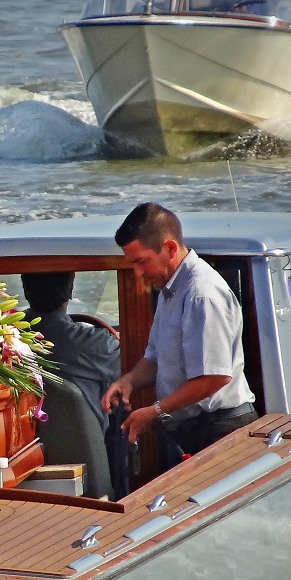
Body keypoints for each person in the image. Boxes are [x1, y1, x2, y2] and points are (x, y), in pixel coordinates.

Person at [99, 202, 257, 471]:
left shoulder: (201, 294)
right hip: (194, 432)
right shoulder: (171, 289)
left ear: (170, 248)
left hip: (220, 432)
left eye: (141, 262)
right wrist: (129, 381)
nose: (137, 273)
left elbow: (214, 376)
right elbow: (156, 357)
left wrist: (156, 412)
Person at [22, 272, 122, 498]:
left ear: (26, 291)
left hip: (18, 459)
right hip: (88, 462)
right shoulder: (95, 344)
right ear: (69, 290)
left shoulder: (3, 339)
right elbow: (135, 368)